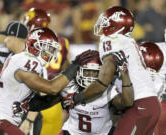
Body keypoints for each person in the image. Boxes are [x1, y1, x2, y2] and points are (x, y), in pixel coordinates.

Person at [63, 6, 161, 135]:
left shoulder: (111, 41)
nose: (102, 24)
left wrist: (76, 98)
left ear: (117, 25)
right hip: (151, 104)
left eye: (106, 21)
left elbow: (102, 83)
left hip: (139, 105)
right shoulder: (128, 42)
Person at [0, 27, 93, 135]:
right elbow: (52, 88)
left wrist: (64, 95)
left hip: (3, 122)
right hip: (1, 121)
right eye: (48, 49)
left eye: (53, 50)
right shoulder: (26, 60)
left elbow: (39, 103)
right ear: (34, 44)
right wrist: (74, 67)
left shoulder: (30, 63)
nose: (50, 54)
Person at [12, 50, 134, 135]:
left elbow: (126, 103)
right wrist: (28, 105)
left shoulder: (108, 89)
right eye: (87, 72)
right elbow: (48, 101)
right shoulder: (69, 87)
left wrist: (124, 74)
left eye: (95, 73)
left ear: (102, 74)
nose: (90, 78)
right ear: (79, 71)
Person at [22, 7, 71, 135]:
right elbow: (67, 68)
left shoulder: (29, 43)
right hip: (54, 102)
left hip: (34, 102)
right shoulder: (62, 41)